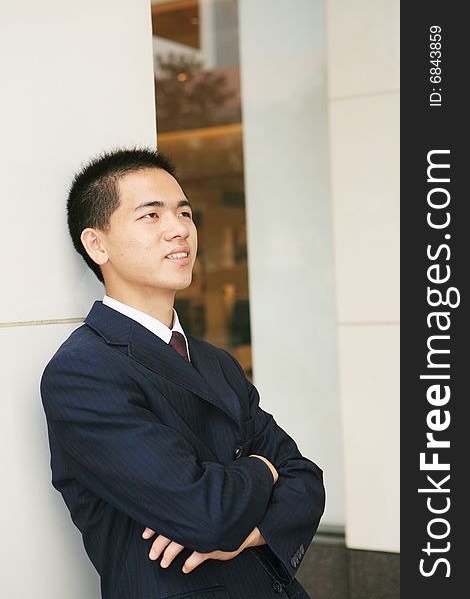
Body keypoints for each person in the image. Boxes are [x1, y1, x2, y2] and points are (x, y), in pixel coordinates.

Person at [41, 148, 325, 599]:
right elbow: (205, 514)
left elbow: (307, 479)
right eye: (151, 215)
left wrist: (247, 534)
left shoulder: (214, 360)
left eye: (184, 212)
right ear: (98, 244)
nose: (180, 229)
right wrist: (264, 468)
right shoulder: (83, 371)